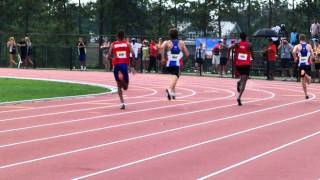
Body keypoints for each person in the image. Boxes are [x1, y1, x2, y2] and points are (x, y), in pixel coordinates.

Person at [108, 30, 136, 109]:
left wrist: (113, 59)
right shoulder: (127, 44)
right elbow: (133, 54)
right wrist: (132, 66)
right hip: (124, 66)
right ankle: (122, 79)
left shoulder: (113, 44)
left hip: (116, 65)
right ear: (124, 37)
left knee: (118, 86)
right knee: (125, 87)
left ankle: (122, 103)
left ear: (117, 37)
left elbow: (108, 56)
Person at [161, 28, 189, 100]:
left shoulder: (167, 42)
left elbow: (161, 47)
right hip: (177, 63)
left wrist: (163, 58)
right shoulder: (181, 43)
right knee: (176, 76)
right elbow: (187, 54)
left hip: (169, 64)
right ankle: (169, 89)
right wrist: (182, 54)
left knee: (174, 77)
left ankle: (173, 93)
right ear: (177, 34)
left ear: (169, 35)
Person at [229, 32, 253, 106]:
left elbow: (229, 48)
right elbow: (252, 53)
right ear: (245, 38)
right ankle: (239, 97)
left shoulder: (237, 44)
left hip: (238, 64)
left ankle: (239, 82)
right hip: (245, 64)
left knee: (243, 78)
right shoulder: (249, 44)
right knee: (244, 81)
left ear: (240, 37)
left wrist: (234, 50)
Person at [292, 34, 314, 99]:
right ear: (305, 39)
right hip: (307, 64)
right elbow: (312, 55)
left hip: (301, 65)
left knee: (303, 79)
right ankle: (306, 94)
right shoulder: (309, 46)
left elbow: (293, 52)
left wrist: (295, 58)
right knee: (309, 81)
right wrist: (310, 60)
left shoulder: (297, 46)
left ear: (299, 39)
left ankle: (306, 94)